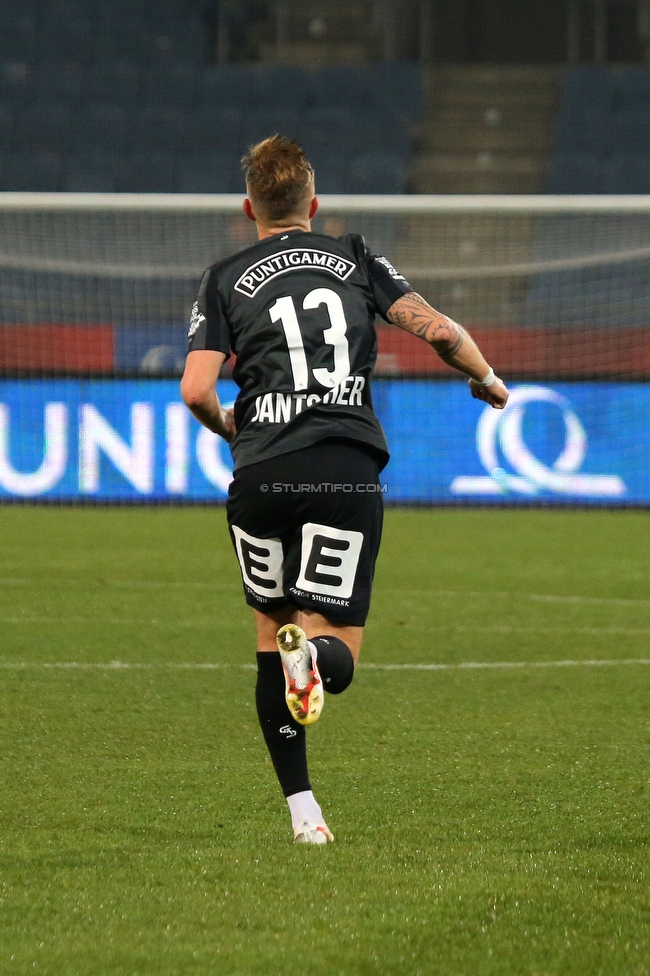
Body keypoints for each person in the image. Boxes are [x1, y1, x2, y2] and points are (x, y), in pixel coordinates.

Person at [181, 136, 509, 844]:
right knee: (340, 654)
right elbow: (438, 331)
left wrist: (229, 427)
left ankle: (305, 816)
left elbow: (196, 389)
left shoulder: (224, 276)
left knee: (272, 639)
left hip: (261, 471)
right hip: (342, 466)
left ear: (249, 209)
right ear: (314, 204)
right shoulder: (355, 257)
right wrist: (484, 377)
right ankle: (319, 661)